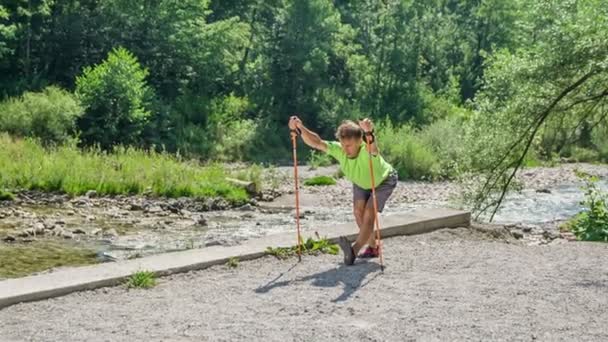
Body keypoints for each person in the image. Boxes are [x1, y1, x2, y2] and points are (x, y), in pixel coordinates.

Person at [288, 116, 398, 265]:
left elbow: (373, 147)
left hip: (383, 181)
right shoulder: (340, 150)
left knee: (369, 213)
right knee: (358, 213)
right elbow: (317, 142)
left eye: (349, 145)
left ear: (359, 141)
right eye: (343, 145)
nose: (345, 149)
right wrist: (300, 128)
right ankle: (373, 247)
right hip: (360, 182)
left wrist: (369, 133)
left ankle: (354, 250)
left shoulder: (367, 149)